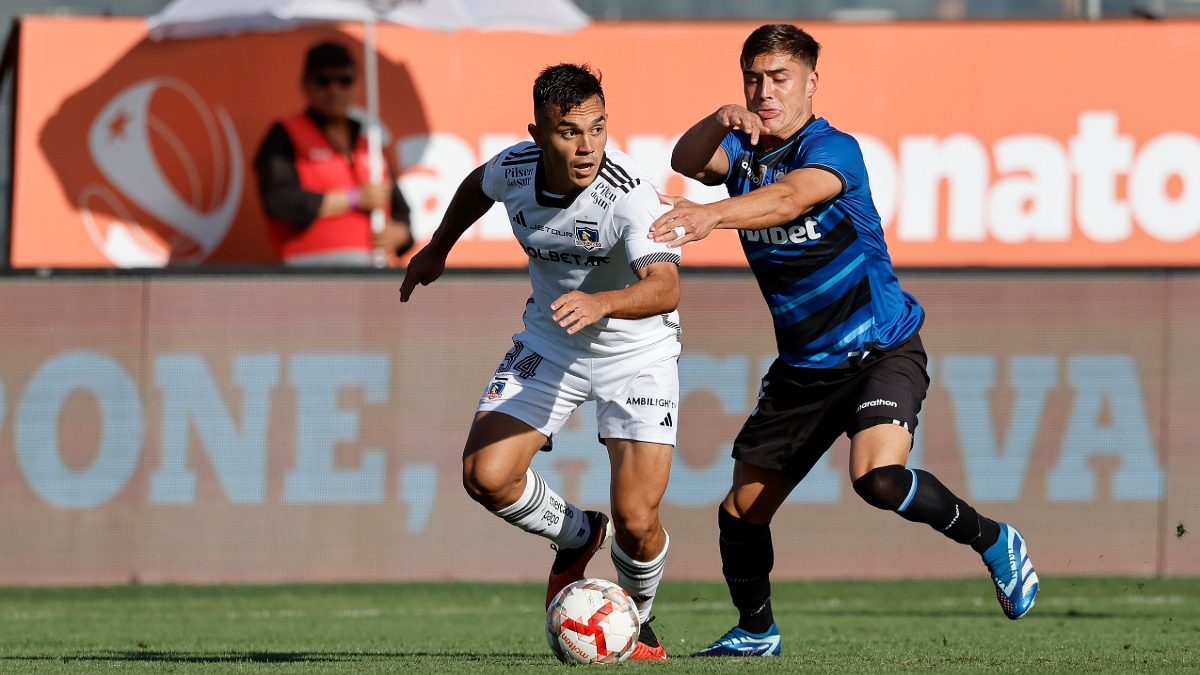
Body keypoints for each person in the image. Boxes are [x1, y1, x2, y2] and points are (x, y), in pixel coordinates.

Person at [654, 24, 1039, 657]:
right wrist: (715, 118)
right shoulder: (745, 149)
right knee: (739, 514)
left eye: (779, 78)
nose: (765, 91)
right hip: (803, 370)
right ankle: (757, 632)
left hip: (880, 350)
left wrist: (712, 214)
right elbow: (685, 161)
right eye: (754, 78)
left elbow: (788, 199)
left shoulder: (835, 149)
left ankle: (994, 539)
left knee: (877, 477)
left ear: (810, 82)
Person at [400, 64, 683, 661]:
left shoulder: (628, 194)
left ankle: (637, 620)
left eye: (598, 128)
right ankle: (579, 535)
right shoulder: (516, 168)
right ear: (537, 134)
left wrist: (603, 301)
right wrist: (438, 247)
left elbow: (665, 287)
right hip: (553, 340)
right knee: (486, 474)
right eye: (569, 132)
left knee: (638, 518)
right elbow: (480, 183)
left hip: (637, 350)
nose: (587, 147)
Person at [255, 42, 413, 266]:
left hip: (372, 274)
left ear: (357, 84)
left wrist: (400, 234)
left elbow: (402, 212)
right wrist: (354, 198)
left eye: (344, 80)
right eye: (323, 81)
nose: (334, 90)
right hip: (310, 275)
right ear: (305, 85)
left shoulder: (371, 140)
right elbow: (279, 201)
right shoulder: (284, 134)